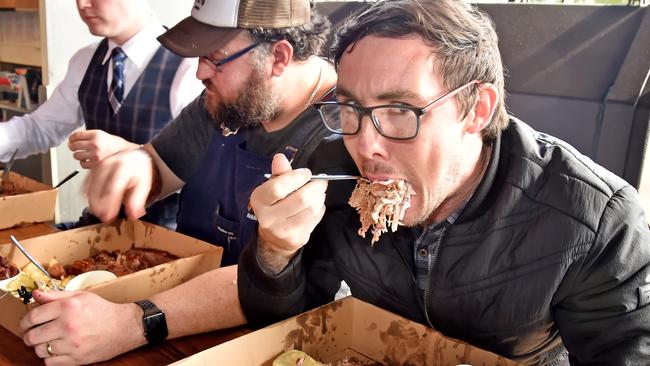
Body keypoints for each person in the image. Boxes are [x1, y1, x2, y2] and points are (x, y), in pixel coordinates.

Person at [238, 0, 650, 365]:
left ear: (477, 110)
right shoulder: (331, 171)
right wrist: (275, 252)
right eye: (349, 108)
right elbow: (288, 333)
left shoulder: (597, 220)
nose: (364, 145)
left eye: (400, 109)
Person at [19, 0, 349, 364]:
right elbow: (162, 162)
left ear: (280, 58)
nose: (198, 73)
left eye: (215, 58)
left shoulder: (346, 138)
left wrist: (133, 322)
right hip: (175, 320)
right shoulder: (227, 101)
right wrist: (139, 166)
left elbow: (267, 284)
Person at [0, 0, 203, 229]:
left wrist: (132, 152)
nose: (83, 4)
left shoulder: (190, 66)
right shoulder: (84, 60)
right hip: (97, 228)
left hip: (166, 238)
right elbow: (41, 127)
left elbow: (206, 174)